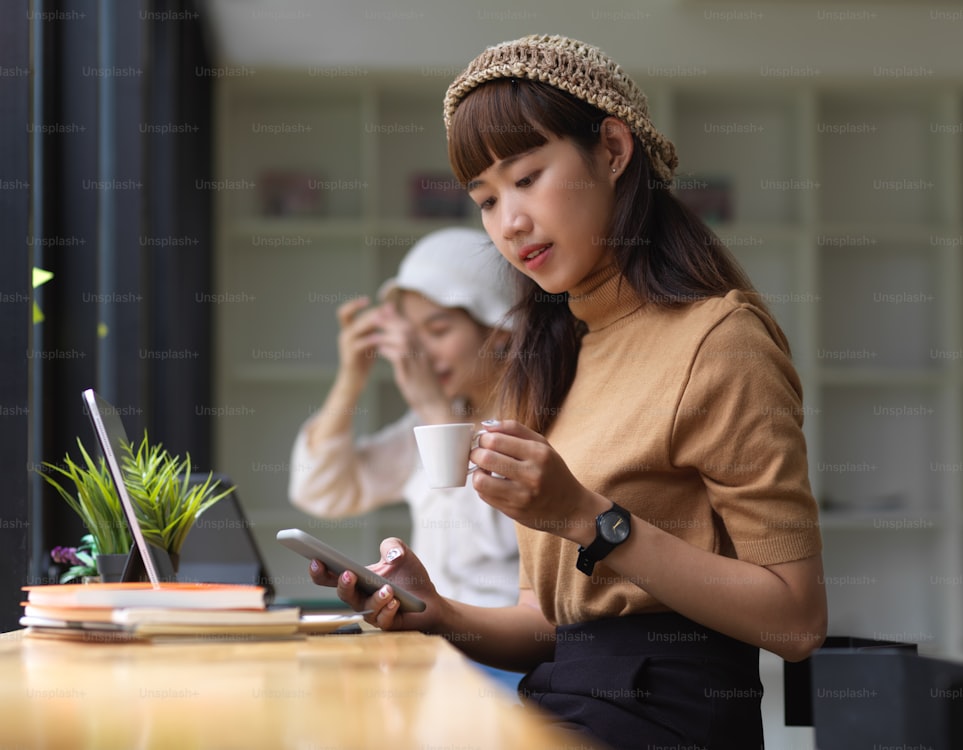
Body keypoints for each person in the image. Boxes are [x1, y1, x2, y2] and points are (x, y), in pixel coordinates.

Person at [307, 35, 827, 749]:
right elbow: (546, 627)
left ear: (613, 151)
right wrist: (436, 612)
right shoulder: (546, 361)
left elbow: (794, 621)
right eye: (486, 200)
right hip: (558, 706)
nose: (509, 222)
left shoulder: (719, 339)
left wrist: (592, 520)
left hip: (668, 720)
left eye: (527, 178)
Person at [288, 227, 520, 610]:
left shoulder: (534, 417)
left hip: (502, 654)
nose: (420, 354)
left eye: (438, 330)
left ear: (497, 328)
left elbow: (482, 550)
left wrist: (434, 410)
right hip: (433, 642)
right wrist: (350, 381)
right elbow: (321, 491)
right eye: (411, 335)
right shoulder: (432, 418)